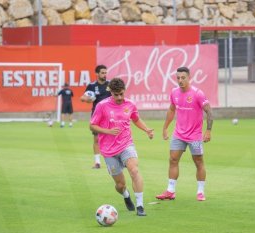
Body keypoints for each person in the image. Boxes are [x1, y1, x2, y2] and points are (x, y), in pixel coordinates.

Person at [90, 78, 154, 216]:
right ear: (110, 92)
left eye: (121, 94)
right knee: (120, 185)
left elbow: (136, 119)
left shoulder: (130, 104)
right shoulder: (102, 106)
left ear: (124, 91)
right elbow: (92, 125)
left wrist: (147, 129)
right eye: (116, 94)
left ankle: (140, 206)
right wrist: (108, 131)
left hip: (126, 144)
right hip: (108, 150)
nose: (119, 97)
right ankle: (125, 195)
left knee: (134, 170)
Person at [156, 67, 213, 201]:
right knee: (173, 160)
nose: (180, 80)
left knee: (198, 161)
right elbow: (171, 110)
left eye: (183, 78)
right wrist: (165, 128)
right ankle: (170, 191)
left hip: (195, 136)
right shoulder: (174, 92)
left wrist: (208, 130)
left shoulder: (198, 93)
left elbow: (209, 112)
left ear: (189, 78)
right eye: (178, 78)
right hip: (179, 134)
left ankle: (200, 192)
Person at [80, 65, 111, 169]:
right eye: (102, 73)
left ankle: (117, 160)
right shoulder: (92, 86)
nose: (104, 75)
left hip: (110, 114)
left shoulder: (110, 84)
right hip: (97, 115)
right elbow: (83, 97)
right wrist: (86, 99)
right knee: (96, 139)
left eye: (105, 72)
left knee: (113, 137)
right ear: (97, 74)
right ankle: (97, 162)